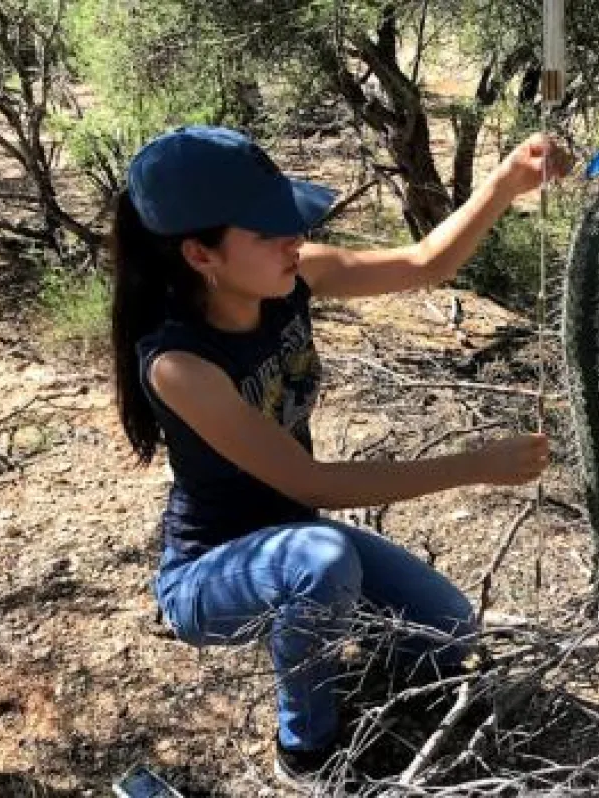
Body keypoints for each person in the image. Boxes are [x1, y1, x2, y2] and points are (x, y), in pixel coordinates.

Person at [109, 125, 568, 790]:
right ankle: (307, 753)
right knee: (322, 565)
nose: (291, 239)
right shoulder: (179, 362)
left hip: (299, 540)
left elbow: (425, 264)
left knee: (448, 634)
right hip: (212, 573)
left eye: (288, 221)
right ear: (201, 254)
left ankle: (355, 676)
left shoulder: (291, 275)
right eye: (267, 231)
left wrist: (505, 183)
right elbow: (310, 479)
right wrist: (476, 464)